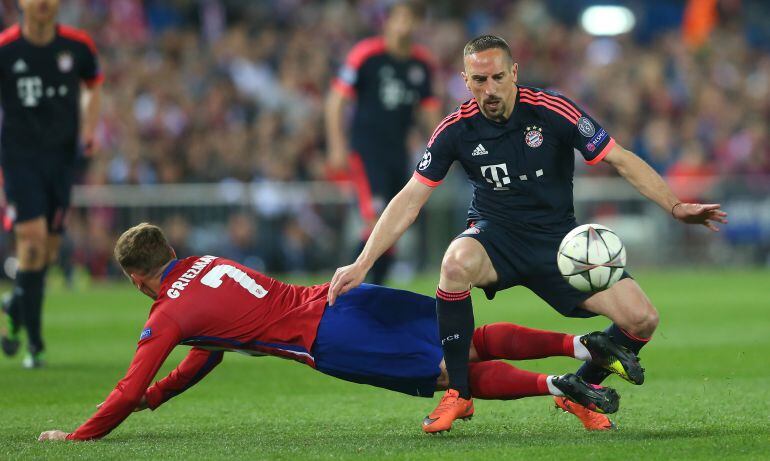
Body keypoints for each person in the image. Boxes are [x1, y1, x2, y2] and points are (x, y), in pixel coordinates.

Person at [328, 35, 728, 433]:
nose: (490, 90)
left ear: (514, 73)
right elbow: (410, 198)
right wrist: (364, 261)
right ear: (465, 81)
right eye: (479, 80)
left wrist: (675, 207)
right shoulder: (455, 129)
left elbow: (620, 159)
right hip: (495, 238)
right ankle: (460, 394)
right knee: (455, 262)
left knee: (642, 319)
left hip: (560, 246)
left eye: (497, 77)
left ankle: (581, 389)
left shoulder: (552, 109)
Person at [36, 222, 637, 441]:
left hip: (330, 339)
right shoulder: (209, 263)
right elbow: (208, 353)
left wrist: (82, 434)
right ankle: (586, 344)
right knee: (467, 337)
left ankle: (563, 386)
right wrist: (161, 396)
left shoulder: (167, 311)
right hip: (348, 295)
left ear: (138, 278)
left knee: (450, 373)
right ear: (172, 249)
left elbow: (125, 385)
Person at [0, 0, 103, 368]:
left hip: (61, 162)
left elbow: (92, 85)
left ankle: (14, 305)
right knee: (32, 240)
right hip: (18, 161)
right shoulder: (6, 48)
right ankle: (36, 345)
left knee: (45, 253)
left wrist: (89, 129)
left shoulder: (77, 46)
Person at [325, 1, 442, 284]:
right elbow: (336, 101)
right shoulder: (367, 54)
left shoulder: (422, 63)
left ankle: (373, 292)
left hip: (398, 154)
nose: (405, 24)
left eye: (411, 18)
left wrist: (441, 148)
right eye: (400, 17)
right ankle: (348, 291)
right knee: (376, 220)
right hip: (366, 153)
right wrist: (336, 146)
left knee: (393, 227)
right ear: (386, 22)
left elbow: (430, 112)